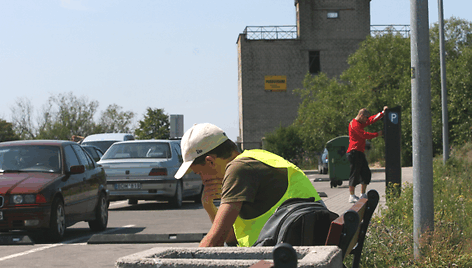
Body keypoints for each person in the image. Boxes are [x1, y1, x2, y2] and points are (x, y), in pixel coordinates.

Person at [174, 123, 322, 247]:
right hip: (295, 249)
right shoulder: (254, 157)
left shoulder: (238, 169)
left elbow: (213, 242)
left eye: (200, 173)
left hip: (281, 256)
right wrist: (209, 206)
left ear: (210, 161)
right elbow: (230, 238)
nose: (202, 180)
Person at [346, 106, 388, 203]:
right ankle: (351, 196)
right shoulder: (354, 124)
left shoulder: (361, 123)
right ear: (361, 115)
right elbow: (364, 135)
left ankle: (362, 194)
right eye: (365, 118)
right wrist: (378, 134)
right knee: (354, 174)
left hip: (360, 152)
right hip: (353, 152)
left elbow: (371, 120)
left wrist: (382, 113)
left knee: (366, 174)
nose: (366, 120)